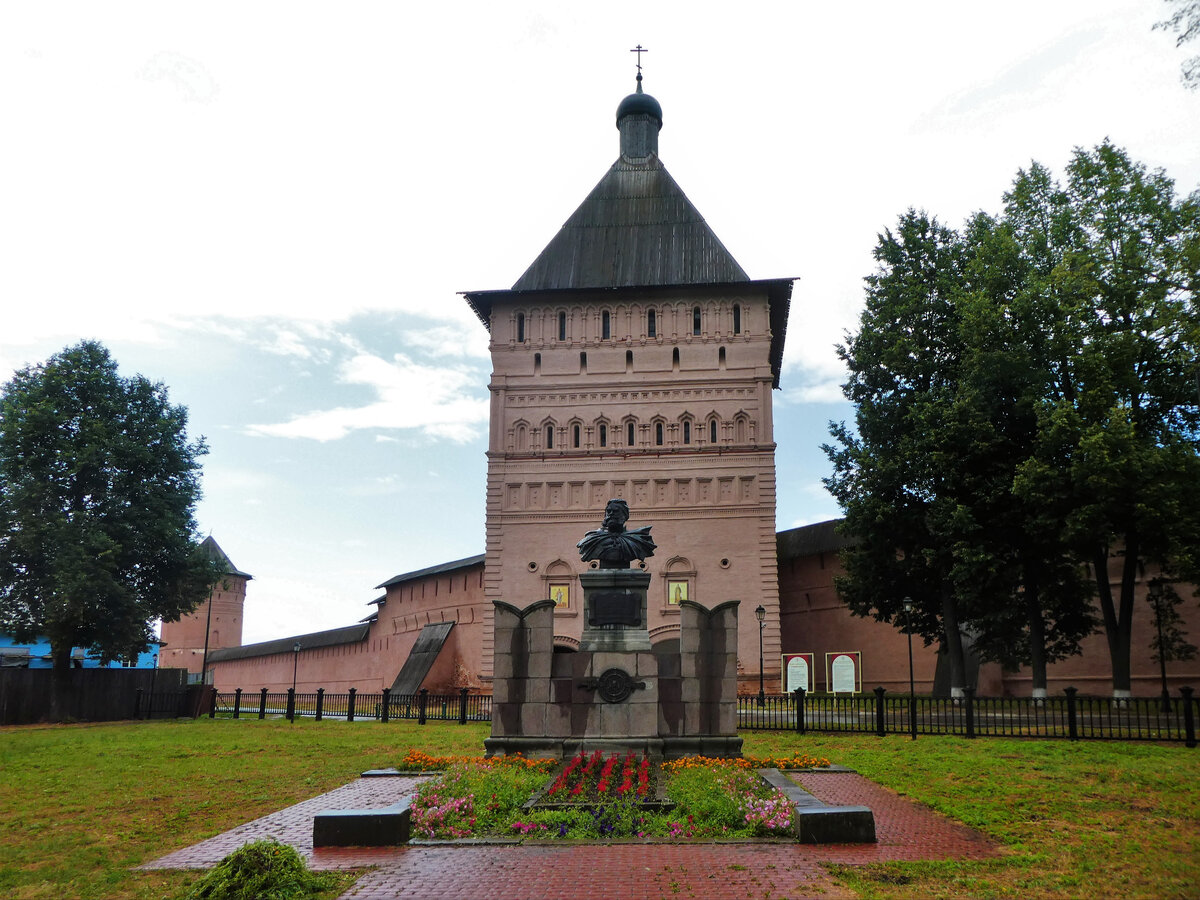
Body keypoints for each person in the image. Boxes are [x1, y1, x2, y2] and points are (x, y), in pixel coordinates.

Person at [576, 499, 656, 568]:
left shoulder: (638, 540)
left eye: (616, 511)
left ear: (625, 515)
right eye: (609, 511)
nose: (611, 514)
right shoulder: (592, 539)